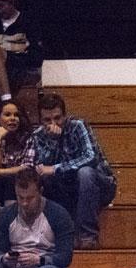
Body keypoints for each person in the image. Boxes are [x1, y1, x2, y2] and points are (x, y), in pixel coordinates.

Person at [28, 92, 116, 249]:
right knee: (42, 180)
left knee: (85, 172)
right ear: (40, 120)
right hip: (65, 188)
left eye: (57, 118)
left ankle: (87, 236)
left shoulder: (77, 125)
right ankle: (58, 234)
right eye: (47, 120)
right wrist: (53, 142)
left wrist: (56, 168)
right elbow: (41, 168)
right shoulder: (38, 135)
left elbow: (91, 157)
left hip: (98, 183)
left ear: (65, 115)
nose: (53, 123)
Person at [0, 101, 34, 245]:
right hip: (0, 182)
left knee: (11, 179)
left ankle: (14, 233)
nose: (12, 118)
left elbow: (27, 167)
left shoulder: (29, 137)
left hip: (23, 180)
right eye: (7, 114)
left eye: (16, 115)